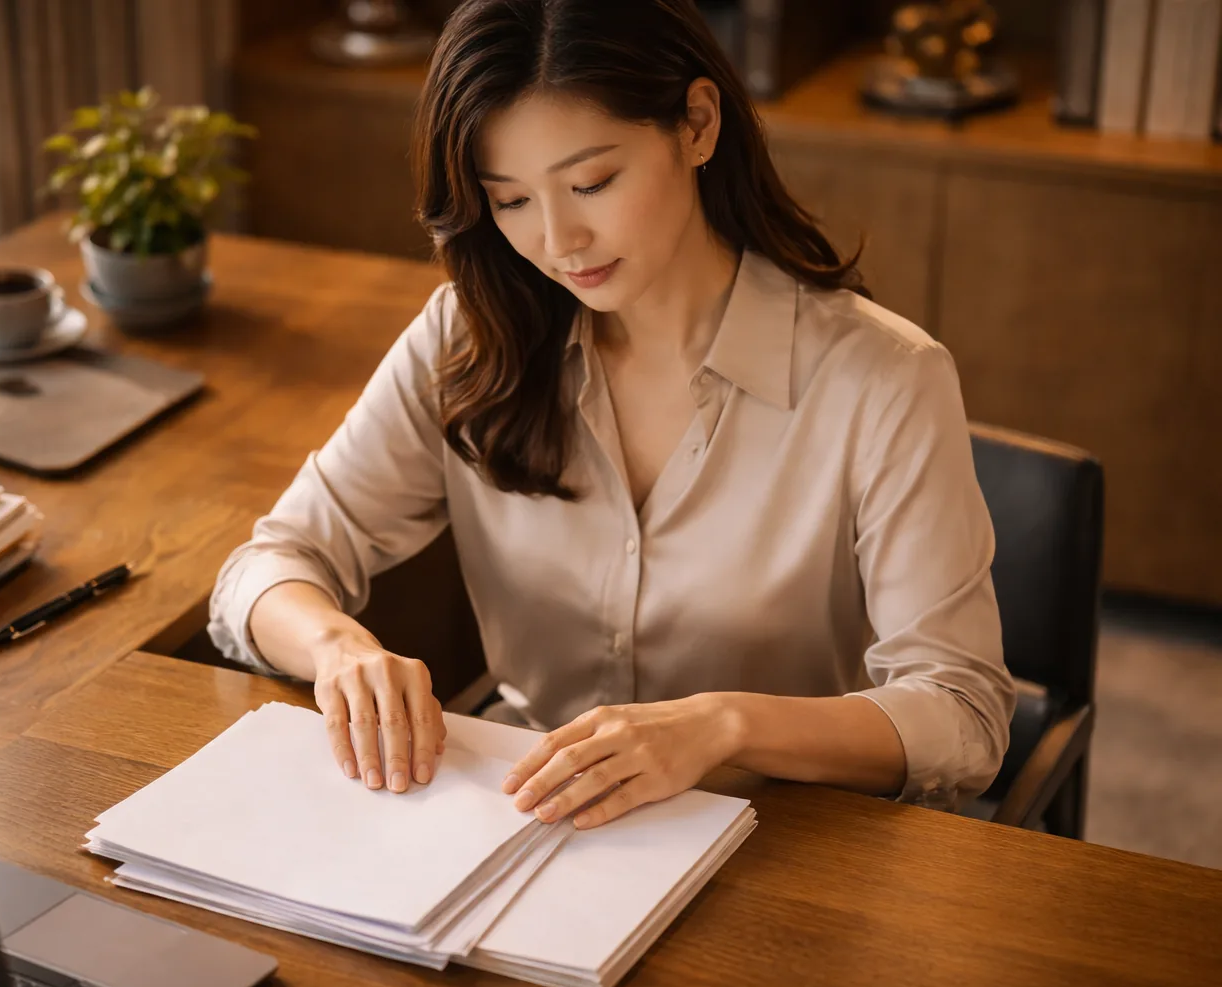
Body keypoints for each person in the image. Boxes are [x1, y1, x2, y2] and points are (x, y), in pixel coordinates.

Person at [208, 0, 1014, 828]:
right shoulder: (470, 338)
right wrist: (338, 650)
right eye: (512, 200)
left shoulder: (885, 379)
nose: (560, 241)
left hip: (781, 842)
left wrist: (722, 725)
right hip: (524, 821)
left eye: (593, 182)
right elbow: (267, 568)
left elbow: (963, 716)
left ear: (698, 125)